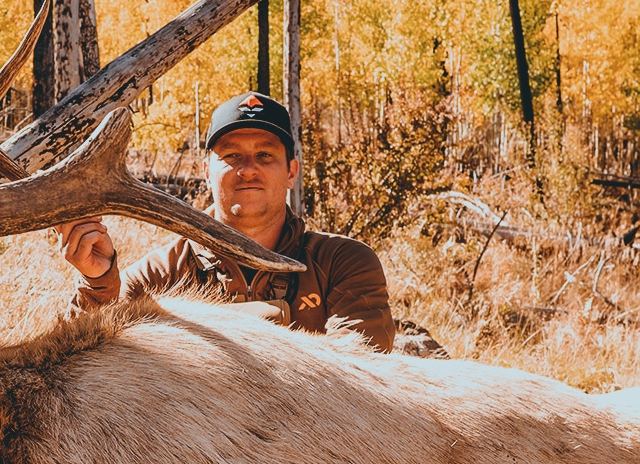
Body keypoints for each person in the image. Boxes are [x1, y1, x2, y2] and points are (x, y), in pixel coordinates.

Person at [58, 92, 396, 351]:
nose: (248, 168)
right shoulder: (159, 276)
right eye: (231, 156)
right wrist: (98, 281)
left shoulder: (342, 263)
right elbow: (81, 364)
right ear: (206, 172)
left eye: (265, 155)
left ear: (291, 172)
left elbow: (360, 370)